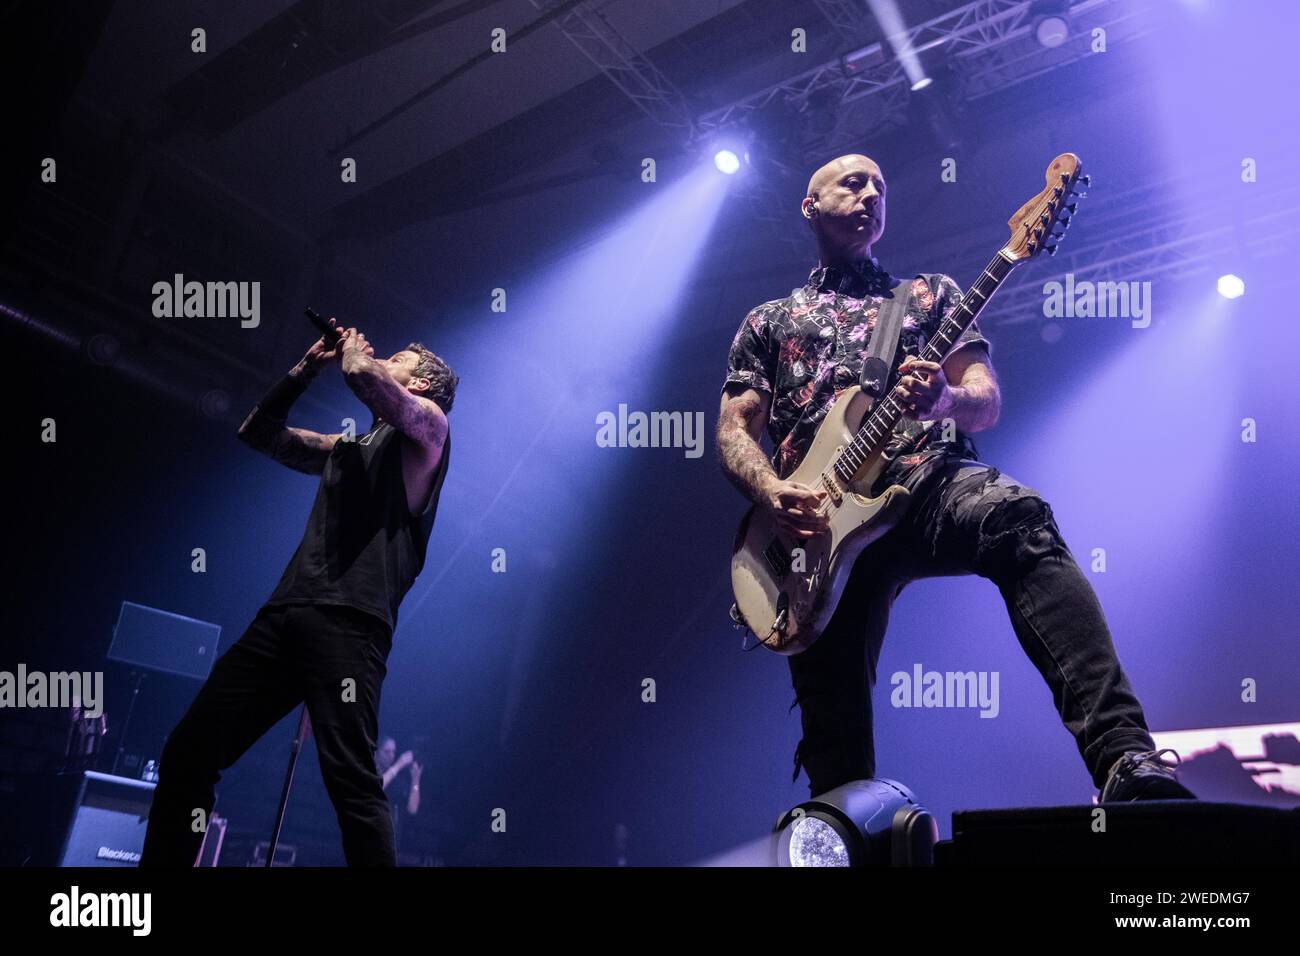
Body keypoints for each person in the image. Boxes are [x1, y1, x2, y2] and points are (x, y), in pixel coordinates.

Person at [716, 153, 1195, 803]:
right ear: (811, 206)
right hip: (812, 535)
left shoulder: (927, 296)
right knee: (835, 751)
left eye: (880, 186)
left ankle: (1125, 758)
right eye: (852, 184)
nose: (870, 195)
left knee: (1018, 518)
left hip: (927, 482)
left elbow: (985, 398)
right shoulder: (768, 321)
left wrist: (942, 400)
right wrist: (772, 492)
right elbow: (732, 430)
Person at [140, 319, 457, 866]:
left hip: (350, 624)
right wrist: (305, 369)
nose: (384, 355)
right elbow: (259, 434)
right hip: (285, 613)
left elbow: (363, 376)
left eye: (400, 357)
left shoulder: (430, 426)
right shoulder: (347, 447)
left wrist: (354, 350)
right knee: (190, 750)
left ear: (422, 383)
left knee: (351, 779)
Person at [374, 736, 421, 858]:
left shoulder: (397, 781)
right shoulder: (368, 772)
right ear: (376, 753)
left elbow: (412, 809)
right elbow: (375, 789)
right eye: (387, 752)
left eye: (394, 752)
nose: (391, 756)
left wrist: (415, 781)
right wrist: (399, 765)